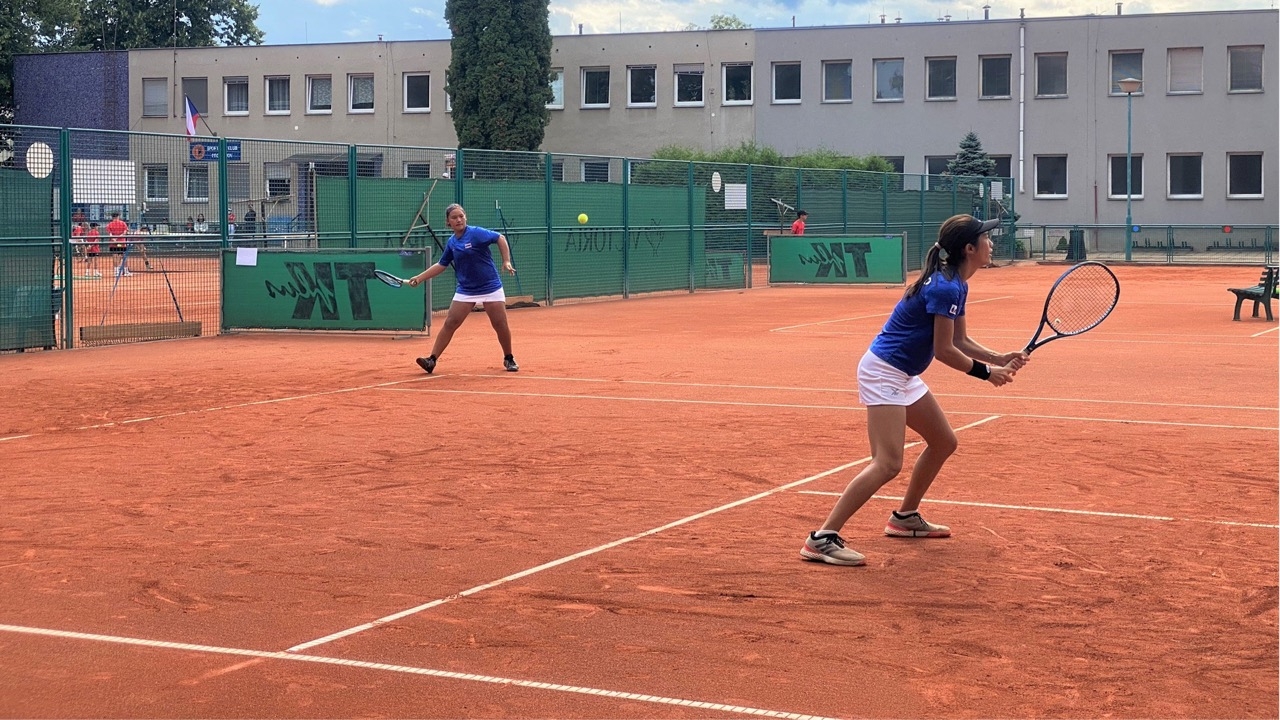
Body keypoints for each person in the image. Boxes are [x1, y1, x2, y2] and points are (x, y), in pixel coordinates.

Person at [799, 214, 1029, 567]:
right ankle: (822, 538)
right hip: (884, 372)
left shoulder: (956, 283)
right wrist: (987, 374)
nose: (992, 243)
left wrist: (998, 357)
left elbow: (960, 340)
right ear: (969, 249)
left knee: (944, 442)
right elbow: (944, 351)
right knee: (887, 463)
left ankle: (904, 518)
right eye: (986, 238)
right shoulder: (945, 287)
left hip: (902, 374)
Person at [406, 203, 519, 374]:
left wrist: (506, 261)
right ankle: (431, 360)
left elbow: (500, 238)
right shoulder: (452, 242)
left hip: (490, 286)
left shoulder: (476, 233)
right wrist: (420, 277)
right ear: (448, 222)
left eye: (461, 216)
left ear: (465, 217)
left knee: (500, 323)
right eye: (454, 217)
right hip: (466, 289)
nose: (459, 220)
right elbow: (442, 264)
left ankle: (509, 358)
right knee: (450, 323)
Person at [105, 212, 131, 276]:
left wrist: (114, 239)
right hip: (121, 242)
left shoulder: (109, 224)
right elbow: (125, 232)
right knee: (124, 256)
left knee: (115, 256)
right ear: (118, 216)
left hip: (113, 243)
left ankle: (116, 272)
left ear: (112, 217)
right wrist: (118, 237)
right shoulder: (123, 223)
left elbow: (110, 234)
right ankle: (126, 271)